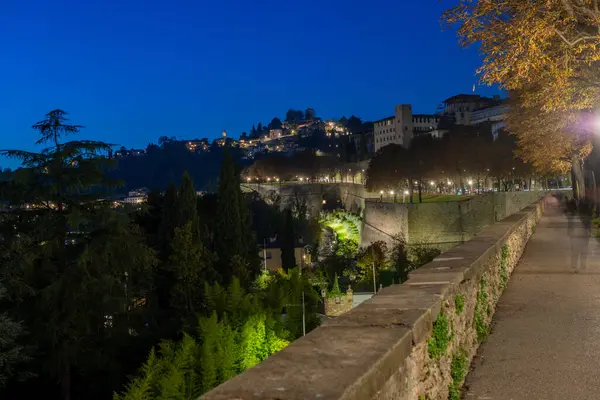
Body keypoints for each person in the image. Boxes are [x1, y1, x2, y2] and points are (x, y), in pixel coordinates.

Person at [566, 199, 592, 271]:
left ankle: (575, 265)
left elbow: (570, 225)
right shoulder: (586, 217)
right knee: (583, 250)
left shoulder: (574, 216)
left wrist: (569, 233)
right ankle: (582, 265)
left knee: (575, 250)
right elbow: (588, 228)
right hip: (582, 236)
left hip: (576, 235)